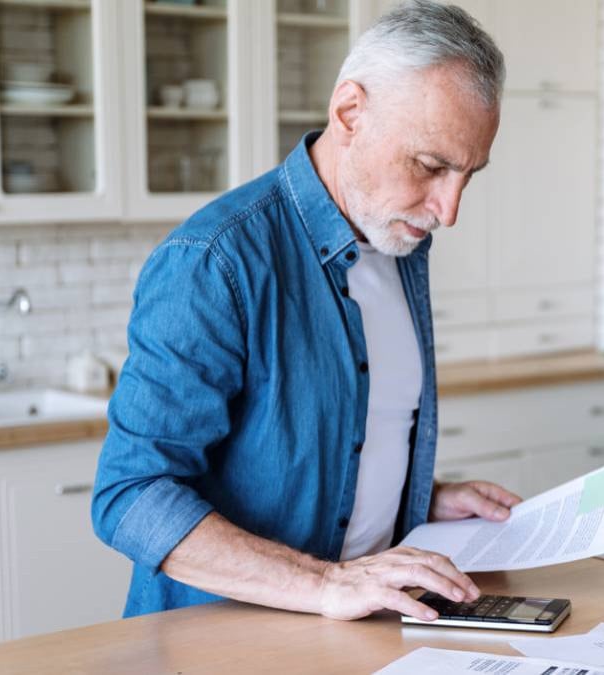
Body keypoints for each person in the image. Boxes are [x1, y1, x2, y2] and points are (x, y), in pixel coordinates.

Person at [91, 0, 518, 623]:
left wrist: (420, 499)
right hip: (220, 645)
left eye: (467, 175)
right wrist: (325, 585)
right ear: (349, 112)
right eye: (431, 166)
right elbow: (130, 495)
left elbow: (335, 451)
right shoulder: (215, 260)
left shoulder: (397, 244)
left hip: (356, 636)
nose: (448, 210)